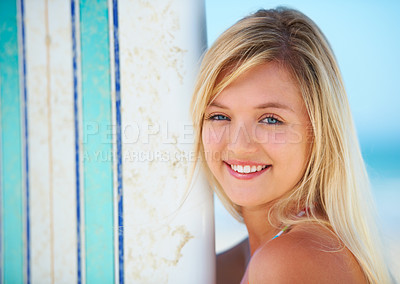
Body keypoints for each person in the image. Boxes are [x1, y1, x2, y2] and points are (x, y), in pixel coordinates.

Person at [189, 7, 393, 284]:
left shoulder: (290, 261)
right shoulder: (243, 258)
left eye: (271, 119)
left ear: (319, 131)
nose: (238, 144)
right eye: (219, 116)